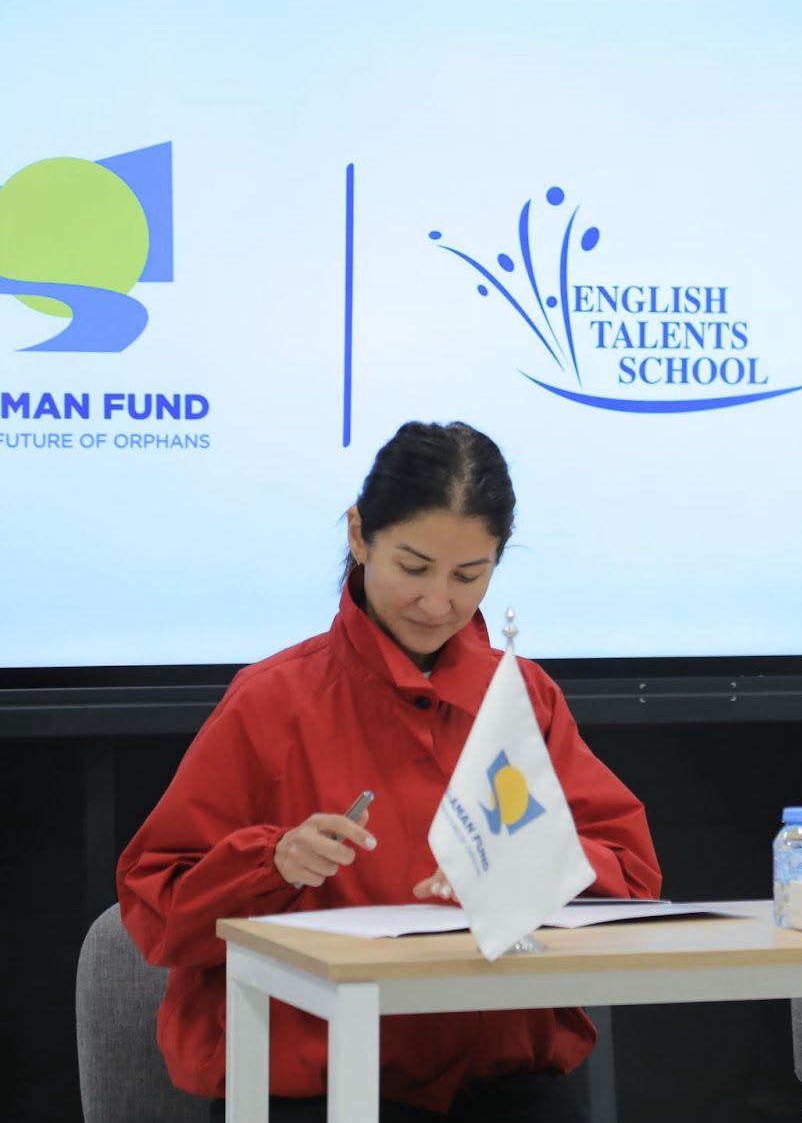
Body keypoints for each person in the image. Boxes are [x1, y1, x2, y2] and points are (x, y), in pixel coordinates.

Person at [118, 421, 661, 1122]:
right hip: (319, 1088)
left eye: (468, 576)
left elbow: (632, 878)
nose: (437, 603)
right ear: (359, 535)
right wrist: (270, 862)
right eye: (413, 567)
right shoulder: (271, 701)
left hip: (505, 1085)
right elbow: (157, 908)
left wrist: (525, 865)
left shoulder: (522, 697)